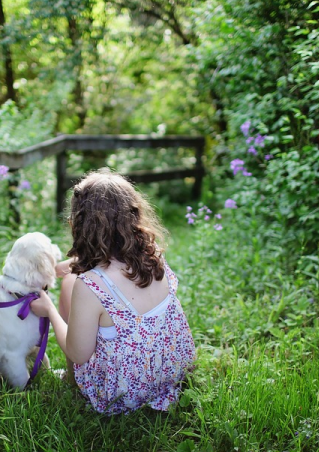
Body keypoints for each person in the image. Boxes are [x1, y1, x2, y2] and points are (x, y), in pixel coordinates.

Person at [30, 171, 196, 415]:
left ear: (80, 224)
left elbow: (79, 353)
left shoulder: (89, 285)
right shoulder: (154, 256)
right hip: (171, 371)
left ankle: (72, 379)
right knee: (74, 280)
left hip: (123, 392)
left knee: (69, 283)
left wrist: (50, 311)